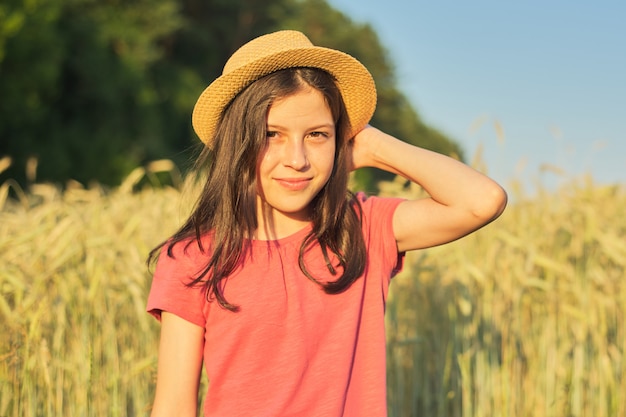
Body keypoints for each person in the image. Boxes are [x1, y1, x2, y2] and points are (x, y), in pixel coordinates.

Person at [146, 30, 507, 417]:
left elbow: (482, 201)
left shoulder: (364, 229)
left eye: (317, 135)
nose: (297, 158)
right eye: (272, 135)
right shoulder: (193, 257)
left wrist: (372, 145)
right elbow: (172, 407)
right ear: (238, 142)